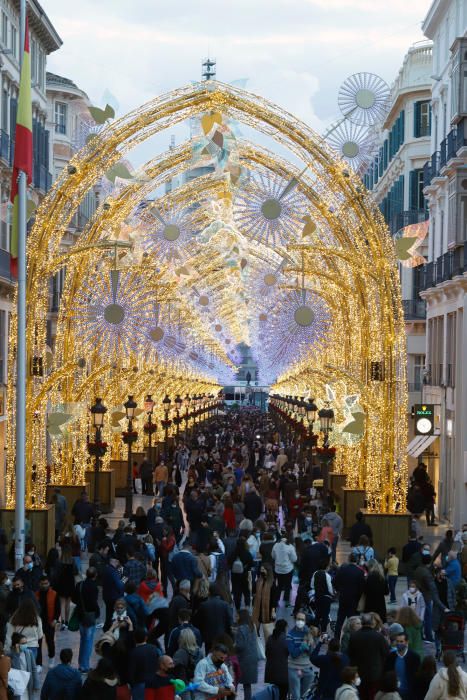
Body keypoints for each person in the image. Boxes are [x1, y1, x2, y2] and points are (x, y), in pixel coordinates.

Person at [347, 613, 388, 700]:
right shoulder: (378, 636)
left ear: (362, 622)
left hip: (359, 672)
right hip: (375, 673)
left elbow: (350, 654)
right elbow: (385, 653)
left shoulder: (354, 636)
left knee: (362, 695)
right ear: (371, 623)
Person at [73, 567, 100, 674]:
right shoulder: (94, 587)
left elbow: (74, 599)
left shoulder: (79, 585)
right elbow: (94, 602)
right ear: (95, 575)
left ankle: (81, 664)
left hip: (80, 615)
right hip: (90, 617)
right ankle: (85, 666)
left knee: (83, 640)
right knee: (88, 642)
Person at [194, 583, 233, 653]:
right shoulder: (225, 605)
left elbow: (197, 622)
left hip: (208, 638)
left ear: (209, 592)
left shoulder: (204, 605)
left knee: (209, 657)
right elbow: (230, 622)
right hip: (222, 637)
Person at [334, 553, 365, 637]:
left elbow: (335, 582)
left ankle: (336, 638)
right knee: (354, 622)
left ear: (348, 559)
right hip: (354, 600)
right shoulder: (360, 572)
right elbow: (361, 588)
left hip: (343, 598)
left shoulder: (342, 569)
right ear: (357, 560)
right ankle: (354, 638)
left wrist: (339, 590)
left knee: (340, 620)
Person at [286, 610, 315, 700]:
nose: (300, 621)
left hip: (307, 668)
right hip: (293, 668)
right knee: (296, 696)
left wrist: (312, 643)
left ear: (305, 621)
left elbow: (311, 653)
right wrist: (303, 646)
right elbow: (294, 654)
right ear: (295, 620)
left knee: (303, 695)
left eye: (302, 619)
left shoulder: (309, 633)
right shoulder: (290, 635)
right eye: (298, 619)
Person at [384, 631, 420, 700]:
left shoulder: (414, 657)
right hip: (394, 693)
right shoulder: (391, 657)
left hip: (409, 694)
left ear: (406, 642)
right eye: (397, 641)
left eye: (401, 641)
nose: (399, 643)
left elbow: (417, 678)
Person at [128, 627, 161, 700]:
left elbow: (131, 672)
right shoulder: (154, 648)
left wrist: (132, 684)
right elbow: (160, 663)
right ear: (146, 638)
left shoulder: (134, 653)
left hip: (139, 685)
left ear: (134, 639)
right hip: (153, 682)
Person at [35, 575, 60, 668]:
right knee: (38, 643)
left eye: (46, 583)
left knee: (50, 642)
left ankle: (51, 658)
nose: (44, 585)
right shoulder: (35, 594)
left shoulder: (54, 594)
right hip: (38, 623)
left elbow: (58, 609)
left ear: (49, 583)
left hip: (50, 622)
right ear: (39, 584)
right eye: (42, 584)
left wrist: (55, 619)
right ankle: (39, 664)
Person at [7, 632, 40, 700]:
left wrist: (36, 684)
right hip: (17, 686)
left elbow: (34, 668)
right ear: (16, 644)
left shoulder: (29, 653)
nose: (25, 645)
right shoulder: (10, 655)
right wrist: (16, 654)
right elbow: (14, 669)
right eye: (23, 643)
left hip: (28, 685)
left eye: (26, 642)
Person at [234, 609, 258, 700]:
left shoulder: (241, 628)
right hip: (252, 658)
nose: (236, 618)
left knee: (234, 681)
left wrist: (233, 647)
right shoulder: (252, 626)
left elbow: (241, 645)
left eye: (237, 616)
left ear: (241, 617)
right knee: (247, 685)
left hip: (243, 660)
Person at [265, 619, 288, 700]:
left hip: (272, 672)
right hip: (283, 673)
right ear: (284, 628)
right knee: (283, 695)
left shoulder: (270, 638)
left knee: (275, 694)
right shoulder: (286, 639)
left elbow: (267, 654)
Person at [271, 532, 297, 608]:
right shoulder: (290, 547)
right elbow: (294, 559)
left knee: (279, 585)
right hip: (288, 569)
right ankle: (286, 602)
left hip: (278, 569)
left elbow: (272, 556)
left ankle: (276, 601)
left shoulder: (275, 545)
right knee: (287, 586)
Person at [55, 547, 76, 629]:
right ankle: (67, 621)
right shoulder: (72, 560)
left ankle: (62, 621)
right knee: (68, 604)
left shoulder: (59, 561)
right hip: (70, 583)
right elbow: (76, 571)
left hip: (62, 583)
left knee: (62, 604)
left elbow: (57, 573)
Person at [102, 558, 125, 631]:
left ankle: (106, 628)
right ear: (116, 561)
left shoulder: (106, 569)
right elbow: (119, 585)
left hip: (107, 596)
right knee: (114, 614)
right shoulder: (113, 571)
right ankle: (111, 629)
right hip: (114, 596)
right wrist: (124, 581)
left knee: (108, 613)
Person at [312, 562, 334, 633]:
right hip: (326, 598)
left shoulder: (315, 573)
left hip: (317, 597)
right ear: (326, 567)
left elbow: (312, 585)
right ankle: (323, 632)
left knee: (317, 614)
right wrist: (332, 594)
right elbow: (330, 588)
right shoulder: (327, 575)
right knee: (325, 615)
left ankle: (315, 630)